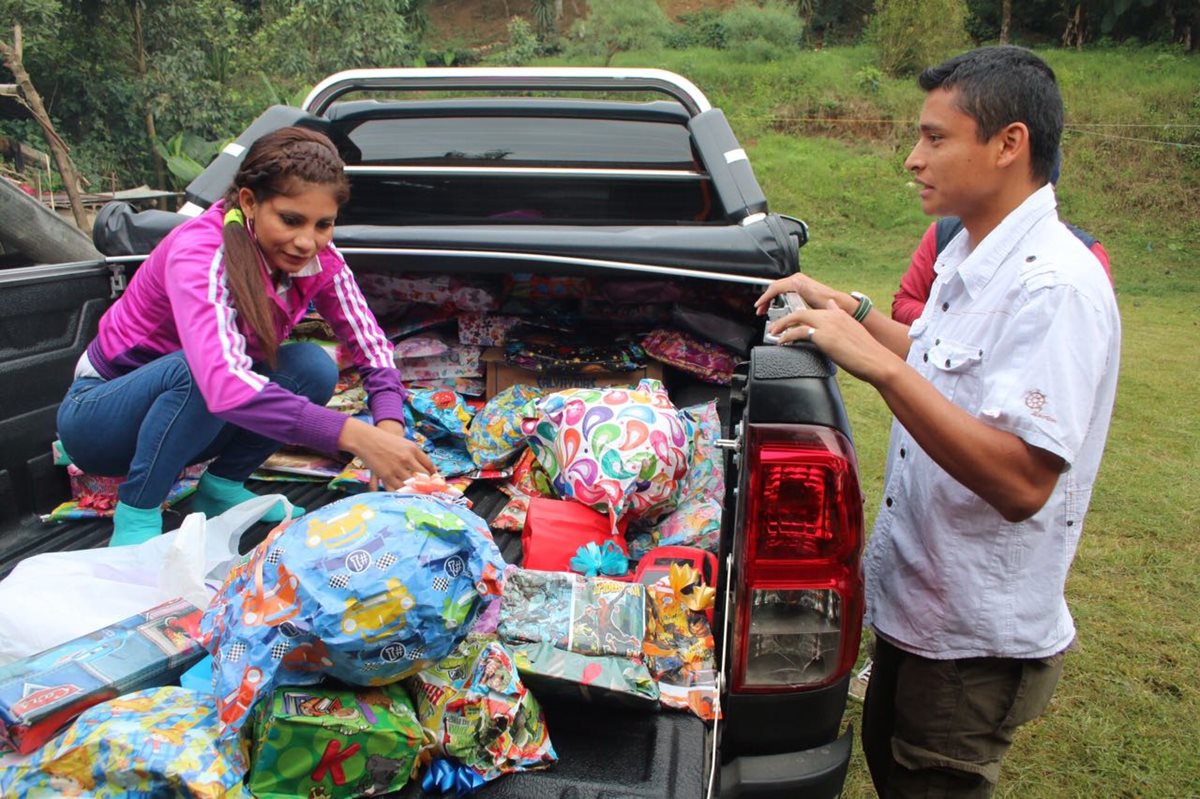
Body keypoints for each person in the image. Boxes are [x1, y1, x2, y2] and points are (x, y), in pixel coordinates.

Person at [755, 46, 1120, 797]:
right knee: (894, 763)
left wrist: (879, 368)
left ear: (1009, 144)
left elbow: (1022, 481)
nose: (913, 160)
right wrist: (846, 308)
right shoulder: (973, 252)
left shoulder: (1056, 288)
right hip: (919, 609)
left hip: (972, 642)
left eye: (935, 137)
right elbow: (934, 356)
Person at [57, 126, 434, 548]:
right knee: (199, 371)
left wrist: (388, 428)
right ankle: (138, 514)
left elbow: (370, 345)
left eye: (323, 224)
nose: (306, 241)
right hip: (100, 418)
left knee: (312, 365)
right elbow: (222, 382)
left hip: (188, 421)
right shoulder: (200, 251)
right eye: (291, 220)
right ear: (250, 202)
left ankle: (220, 488)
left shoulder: (321, 259)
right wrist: (358, 437)